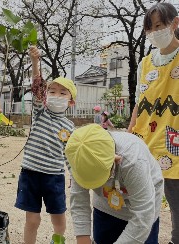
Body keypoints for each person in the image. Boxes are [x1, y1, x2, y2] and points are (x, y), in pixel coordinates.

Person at [127, 3, 179, 244]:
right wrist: (128, 137)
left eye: (159, 26)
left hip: (175, 143)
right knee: (145, 201)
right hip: (146, 140)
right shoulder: (145, 63)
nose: (154, 32)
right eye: (149, 28)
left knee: (176, 202)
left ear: (175, 23)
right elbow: (139, 102)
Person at [15, 46, 76, 244]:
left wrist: (74, 176)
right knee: (32, 219)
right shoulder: (41, 111)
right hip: (30, 174)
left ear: (71, 101)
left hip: (54, 177)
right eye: (52, 91)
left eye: (62, 93)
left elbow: (70, 155)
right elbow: (37, 86)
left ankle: (57, 240)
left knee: (58, 218)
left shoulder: (70, 127)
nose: (55, 95)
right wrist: (35, 63)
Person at [65, 124, 163, 244]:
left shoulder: (133, 161)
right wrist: (82, 238)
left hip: (143, 208)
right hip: (106, 206)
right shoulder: (79, 157)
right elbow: (79, 201)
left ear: (115, 159)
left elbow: (143, 213)